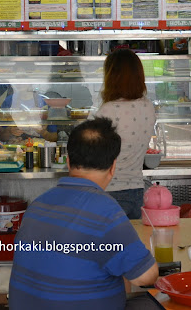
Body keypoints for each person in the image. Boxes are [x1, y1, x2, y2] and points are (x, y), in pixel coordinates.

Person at [9, 118, 158, 310]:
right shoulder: (106, 212)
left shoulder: (37, 205)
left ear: (68, 162)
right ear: (113, 167)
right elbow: (146, 277)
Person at [92, 49, 156, 219]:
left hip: (109, 192)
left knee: (110, 245)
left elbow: (94, 154)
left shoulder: (108, 110)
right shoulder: (148, 106)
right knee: (133, 242)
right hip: (137, 191)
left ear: (111, 77)